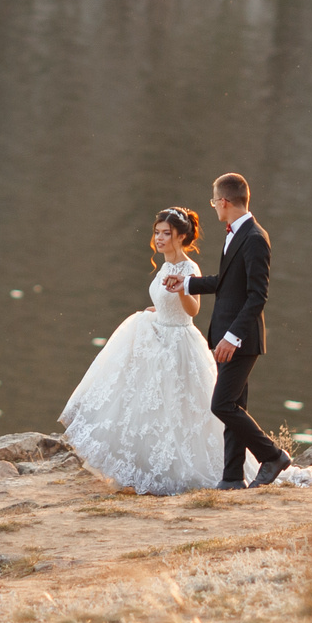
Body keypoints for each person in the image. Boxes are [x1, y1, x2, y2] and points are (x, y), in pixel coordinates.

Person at [57, 207, 229, 493]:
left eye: (166, 234)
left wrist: (181, 290)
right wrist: (158, 309)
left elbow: (193, 311)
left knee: (178, 407)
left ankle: (178, 470)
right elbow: (164, 302)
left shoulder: (189, 268)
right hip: (156, 336)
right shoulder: (165, 266)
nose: (159, 238)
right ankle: (144, 467)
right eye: (157, 232)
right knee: (146, 404)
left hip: (178, 343)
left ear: (181, 237)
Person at [162, 172, 292, 489]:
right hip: (227, 335)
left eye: (213, 202)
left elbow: (257, 295)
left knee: (221, 405)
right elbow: (227, 283)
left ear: (223, 201)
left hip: (240, 340)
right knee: (235, 407)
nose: (214, 208)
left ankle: (273, 456)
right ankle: (232, 478)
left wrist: (232, 338)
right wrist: (188, 283)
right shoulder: (237, 233)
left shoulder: (255, 237)